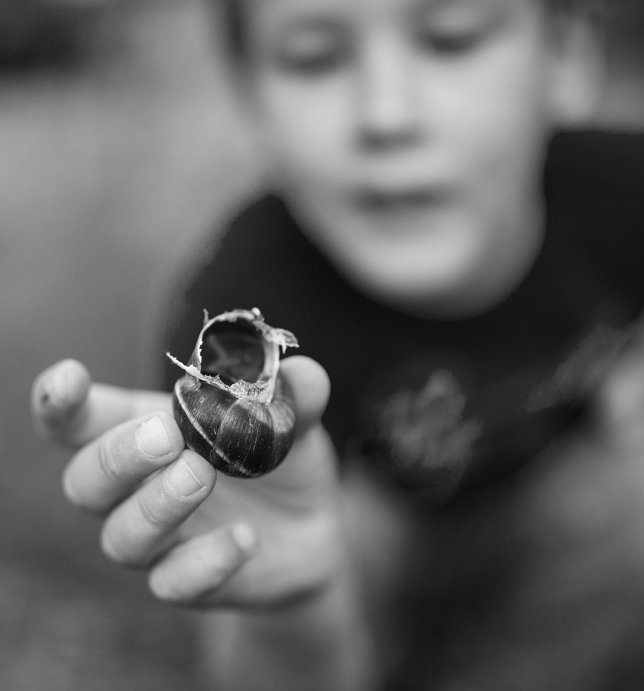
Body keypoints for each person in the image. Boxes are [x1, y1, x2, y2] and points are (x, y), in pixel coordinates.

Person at [30, 0, 644, 688]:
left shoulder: (620, 192)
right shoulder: (241, 292)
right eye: (315, 59)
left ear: (563, 60)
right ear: (253, 100)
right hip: (359, 522)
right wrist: (296, 607)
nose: (386, 114)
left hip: (551, 489)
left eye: (451, 40)